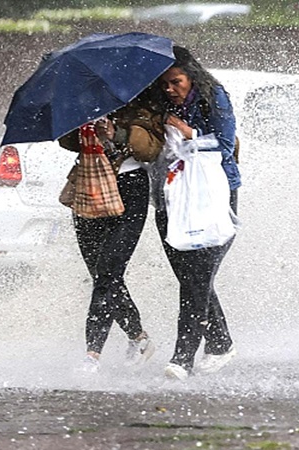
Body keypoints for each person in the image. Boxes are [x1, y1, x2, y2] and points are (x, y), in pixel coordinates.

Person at [150, 46, 241, 380]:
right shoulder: (157, 106)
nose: (170, 90)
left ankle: (182, 358)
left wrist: (189, 134)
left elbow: (225, 142)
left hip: (213, 194)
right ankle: (220, 344)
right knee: (190, 277)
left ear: (192, 77)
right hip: (170, 196)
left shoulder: (213, 96)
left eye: (176, 82)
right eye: (164, 85)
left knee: (198, 276)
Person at [59, 87, 165, 373]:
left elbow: (151, 149)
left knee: (108, 271)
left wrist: (115, 133)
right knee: (100, 274)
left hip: (130, 189)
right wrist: (79, 123)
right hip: (89, 184)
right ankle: (139, 338)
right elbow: (65, 141)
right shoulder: (82, 100)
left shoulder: (144, 103)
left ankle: (92, 354)